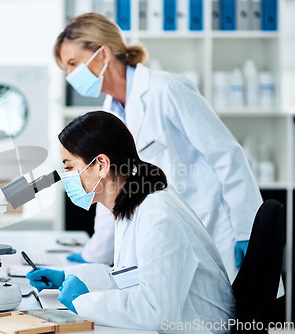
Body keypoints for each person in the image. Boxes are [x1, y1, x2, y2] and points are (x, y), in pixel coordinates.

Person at [54, 13, 262, 281]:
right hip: (165, 236)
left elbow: (226, 155)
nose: (71, 76)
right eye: (66, 69)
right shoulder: (110, 114)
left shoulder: (167, 89)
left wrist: (247, 229)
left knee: (226, 313)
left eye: (73, 64)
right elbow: (110, 188)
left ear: (103, 53)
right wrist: (94, 255)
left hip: (213, 226)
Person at [27, 111, 235, 330]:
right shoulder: (133, 204)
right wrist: (66, 276)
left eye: (69, 167)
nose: (66, 176)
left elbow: (155, 310)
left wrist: (82, 302)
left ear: (101, 165)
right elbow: (127, 277)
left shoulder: (157, 216)